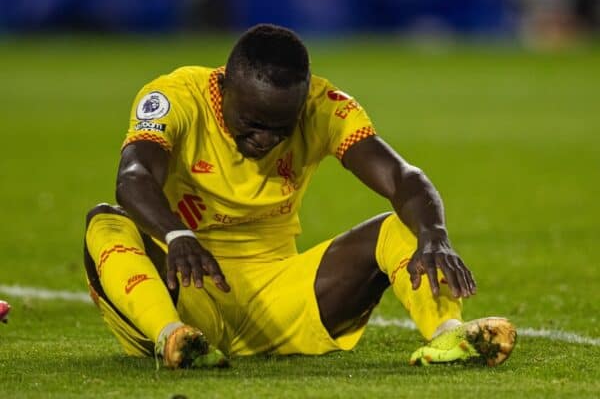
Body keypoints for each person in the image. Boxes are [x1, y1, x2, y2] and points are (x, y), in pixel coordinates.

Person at [83, 24, 516, 369]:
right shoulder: (176, 97)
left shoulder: (323, 106)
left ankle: (450, 333)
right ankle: (172, 336)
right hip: (185, 287)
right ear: (225, 86)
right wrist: (177, 235)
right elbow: (133, 176)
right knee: (106, 221)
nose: (265, 139)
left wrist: (434, 233)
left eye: (280, 128)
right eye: (251, 123)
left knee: (400, 225)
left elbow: (403, 178)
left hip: (280, 300)